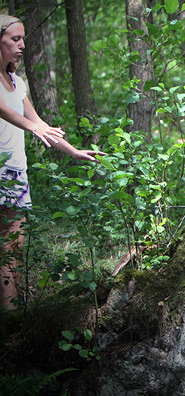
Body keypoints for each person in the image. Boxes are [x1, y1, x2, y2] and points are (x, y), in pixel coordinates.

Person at [0, 14, 101, 310]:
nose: (21, 46)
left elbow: (39, 122)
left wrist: (73, 152)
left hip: (18, 172)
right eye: (14, 39)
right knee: (6, 246)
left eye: (23, 40)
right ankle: (11, 317)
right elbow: (5, 112)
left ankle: (16, 313)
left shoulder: (16, 82)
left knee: (15, 246)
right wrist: (32, 128)